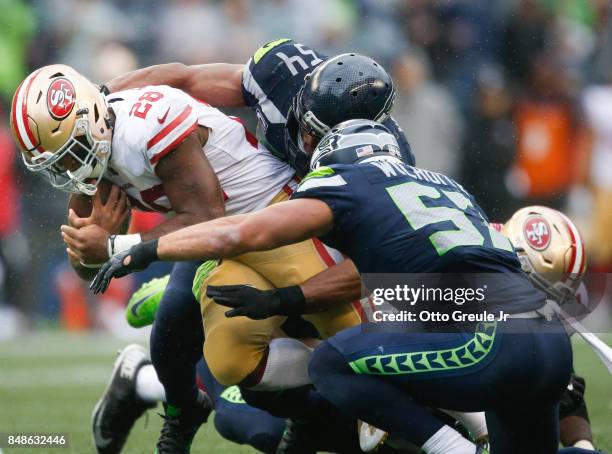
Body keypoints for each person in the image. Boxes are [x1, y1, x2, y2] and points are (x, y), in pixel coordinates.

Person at [91, 119, 575, 453]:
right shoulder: (441, 184)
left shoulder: (346, 183)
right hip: (546, 342)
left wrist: (146, 248)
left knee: (330, 362)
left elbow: (245, 230)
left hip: (486, 343)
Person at [10, 63, 295, 453]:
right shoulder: (96, 146)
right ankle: (181, 412)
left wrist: (116, 247)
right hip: (225, 245)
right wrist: (99, 246)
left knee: (258, 419)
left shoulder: (144, 127)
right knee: (169, 335)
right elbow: (85, 262)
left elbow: (207, 219)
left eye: (69, 155)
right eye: (56, 163)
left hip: (273, 229)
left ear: (91, 119)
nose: (67, 170)